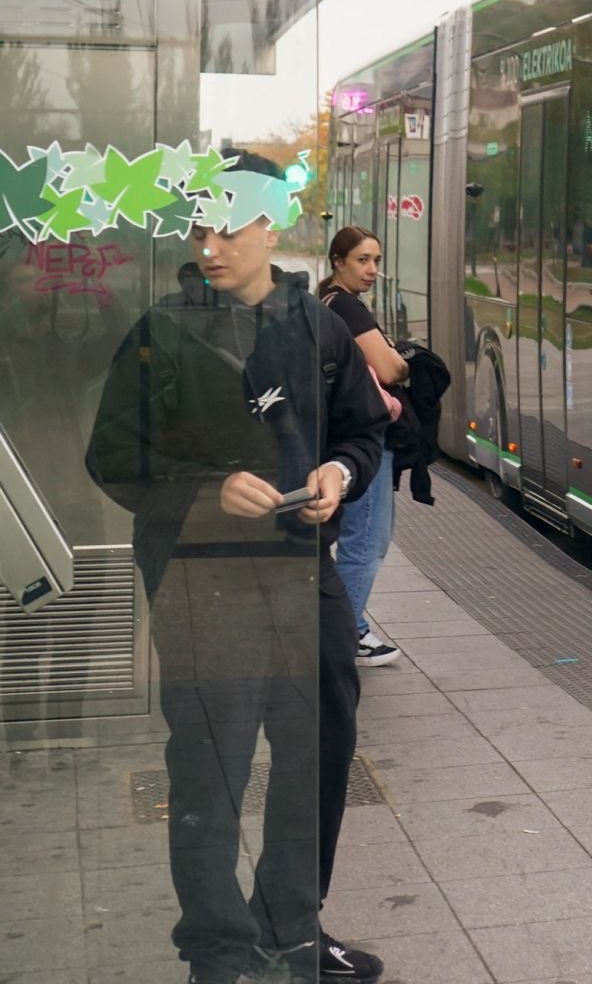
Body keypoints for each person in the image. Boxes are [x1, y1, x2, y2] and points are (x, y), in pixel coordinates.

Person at [87, 151, 389, 983]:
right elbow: (112, 458)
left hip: (303, 575)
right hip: (202, 579)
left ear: (273, 226)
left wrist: (343, 475)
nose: (210, 245)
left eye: (228, 226)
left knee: (320, 745)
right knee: (212, 761)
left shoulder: (320, 327)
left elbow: (365, 432)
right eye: (198, 227)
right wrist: (213, 491)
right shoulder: (164, 331)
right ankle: (218, 950)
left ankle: (290, 926)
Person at [316, 225, 408, 666]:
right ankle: (348, 634)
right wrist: (406, 361)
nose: (372, 270)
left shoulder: (326, 302)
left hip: (341, 435)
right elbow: (390, 370)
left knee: (362, 539)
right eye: (362, 260)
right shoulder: (347, 308)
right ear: (338, 261)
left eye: (377, 261)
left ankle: (342, 629)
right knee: (366, 541)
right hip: (365, 438)